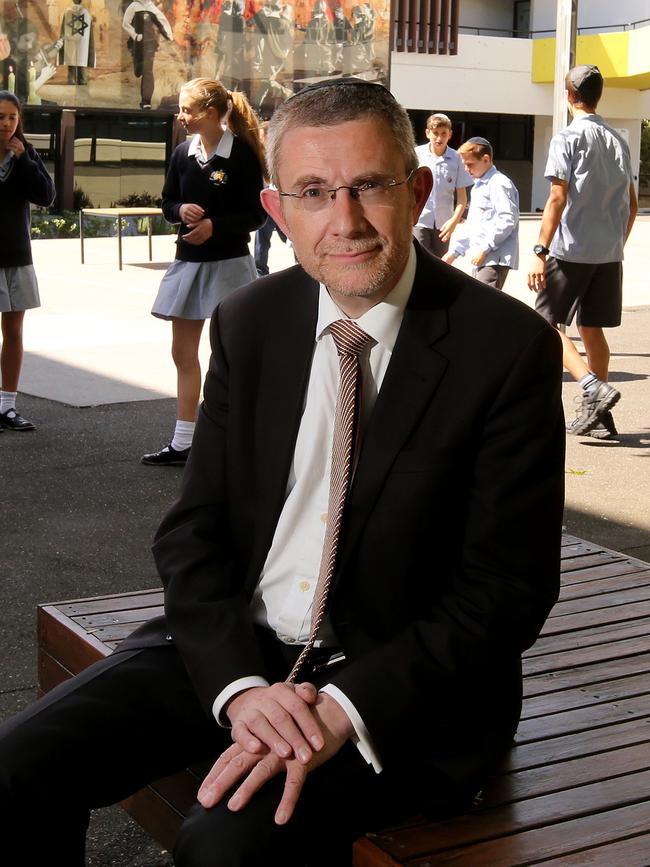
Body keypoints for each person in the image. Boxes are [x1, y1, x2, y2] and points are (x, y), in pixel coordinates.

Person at [0, 80, 565, 866]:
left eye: (369, 185)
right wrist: (236, 684)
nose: (346, 221)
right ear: (277, 209)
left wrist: (339, 707)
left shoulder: (504, 347)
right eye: (313, 192)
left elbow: (506, 590)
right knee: (13, 768)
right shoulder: (252, 320)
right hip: (242, 645)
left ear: (420, 190)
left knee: (227, 845)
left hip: (401, 686)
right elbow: (193, 533)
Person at [142, 77, 266, 466]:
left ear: (211, 113)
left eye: (187, 110)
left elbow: (257, 213)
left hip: (230, 265)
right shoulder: (182, 153)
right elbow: (167, 201)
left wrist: (216, 225)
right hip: (189, 262)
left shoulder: (242, 154)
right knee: (182, 351)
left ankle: (238, 438)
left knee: (231, 355)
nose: (181, 117)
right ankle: (184, 441)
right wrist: (179, 211)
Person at [527, 64, 638, 439]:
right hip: (608, 252)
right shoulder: (618, 140)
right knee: (592, 327)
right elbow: (633, 204)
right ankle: (600, 417)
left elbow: (557, 197)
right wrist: (614, 242)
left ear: (569, 95)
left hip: (571, 249)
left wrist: (540, 250)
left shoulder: (568, 138)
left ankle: (593, 388)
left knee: (546, 324)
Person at [0, 90, 55, 432]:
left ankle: (7, 405)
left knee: (14, 331)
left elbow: (46, 196)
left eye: (12, 117)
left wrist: (25, 160)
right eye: (0, 117)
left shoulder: (25, 153)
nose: (6, 124)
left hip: (16, 256)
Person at [442, 136, 519, 289]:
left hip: (494, 259)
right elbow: (473, 224)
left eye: (470, 164)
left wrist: (485, 248)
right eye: (464, 164)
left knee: (484, 307)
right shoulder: (479, 186)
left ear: (485, 159)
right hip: (482, 257)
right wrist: (454, 252)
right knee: (480, 304)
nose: (466, 169)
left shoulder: (499, 183)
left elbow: (507, 220)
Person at [413, 112, 472, 258]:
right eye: (435, 133)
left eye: (443, 134)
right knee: (420, 261)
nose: (439, 138)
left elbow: (462, 199)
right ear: (428, 133)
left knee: (440, 264)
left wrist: (453, 222)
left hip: (444, 224)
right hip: (419, 220)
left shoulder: (457, 158)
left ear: (450, 134)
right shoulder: (416, 155)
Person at [122, 0, 173, 110]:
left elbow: (162, 21)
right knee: (138, 70)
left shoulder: (151, 7)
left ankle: (146, 101)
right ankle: (138, 69)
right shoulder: (134, 6)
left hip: (150, 43)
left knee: (148, 71)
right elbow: (125, 24)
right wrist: (134, 35)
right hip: (137, 44)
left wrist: (169, 36)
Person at [254, 120, 287, 277]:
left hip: (281, 200)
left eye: (261, 136)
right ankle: (260, 270)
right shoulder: (259, 156)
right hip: (266, 201)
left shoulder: (281, 153)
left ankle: (303, 266)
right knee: (262, 238)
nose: (259, 139)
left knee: (291, 236)